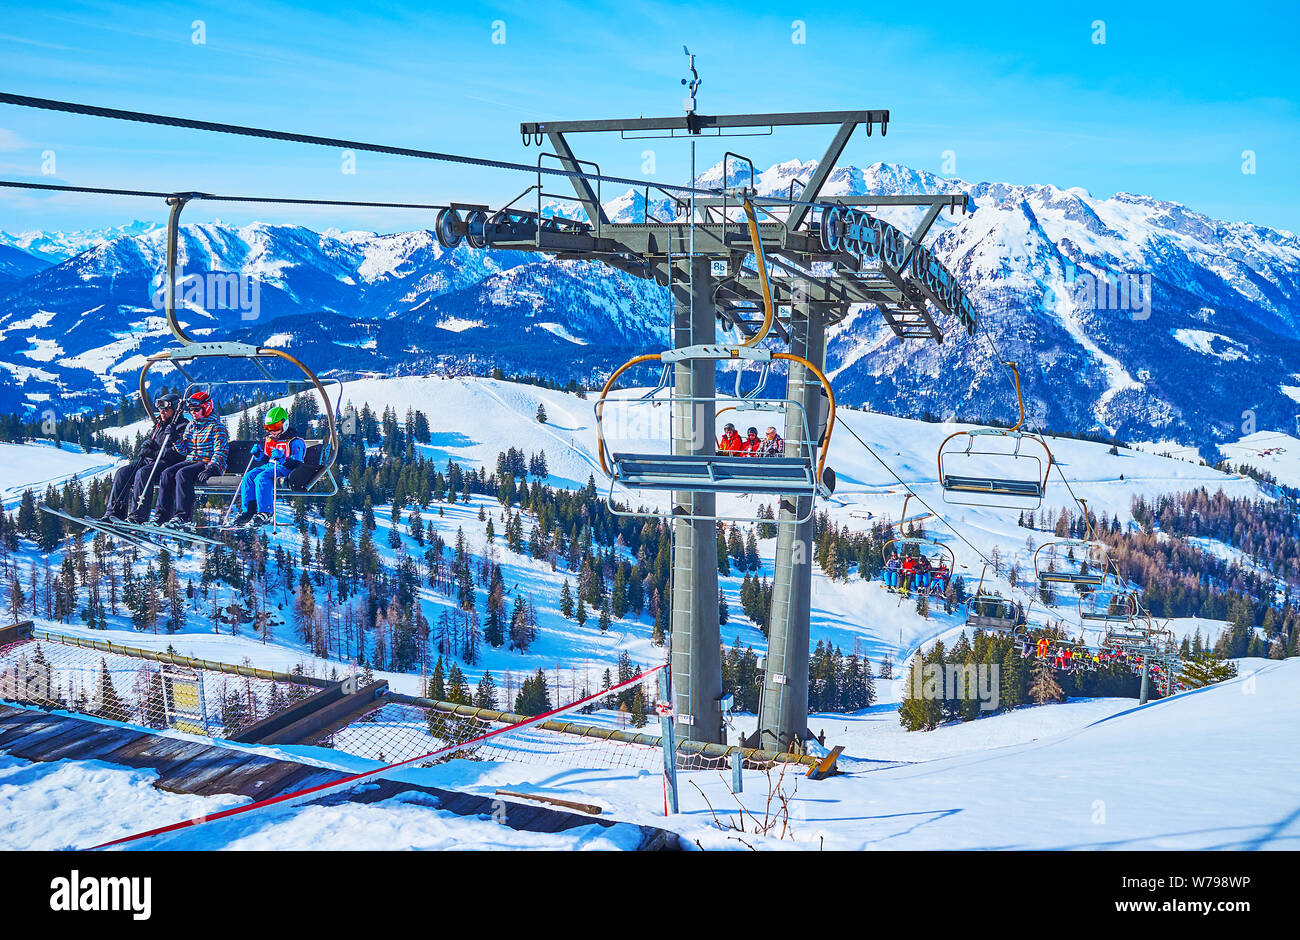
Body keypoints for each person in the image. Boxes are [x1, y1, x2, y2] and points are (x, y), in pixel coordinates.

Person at [152, 390, 230, 533]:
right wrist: (175, 438)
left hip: (206, 462)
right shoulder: (192, 426)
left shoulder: (216, 427)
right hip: (192, 460)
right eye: (191, 410)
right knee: (167, 473)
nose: (193, 413)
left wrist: (212, 467)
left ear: (206, 408)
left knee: (182, 474)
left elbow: (221, 450)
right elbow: (185, 451)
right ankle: (161, 515)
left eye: (196, 410)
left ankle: (184, 517)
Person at [107, 395, 185, 523]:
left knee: (142, 473)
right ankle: (114, 513)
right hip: (150, 461)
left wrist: (154, 453)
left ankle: (138, 516)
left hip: (166, 463)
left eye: (166, 410)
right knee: (122, 472)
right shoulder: (159, 425)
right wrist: (146, 447)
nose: (162, 413)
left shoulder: (182, 426)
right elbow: (153, 441)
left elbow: (179, 453)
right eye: (160, 410)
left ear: (175, 410)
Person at [232, 405, 306, 528]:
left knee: (262, 477)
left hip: (286, 469)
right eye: (268, 428)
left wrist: (283, 459)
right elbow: (269, 459)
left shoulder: (294, 442)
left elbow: (297, 465)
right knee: (249, 476)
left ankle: (266, 511)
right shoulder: (270, 440)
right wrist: (260, 455)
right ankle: (249, 511)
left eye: (275, 427)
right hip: (270, 467)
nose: (272, 431)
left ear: (284, 424)